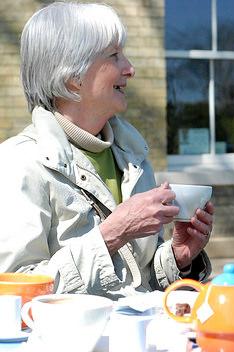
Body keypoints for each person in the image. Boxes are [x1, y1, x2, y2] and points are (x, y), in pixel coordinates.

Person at [0, 2, 214, 299]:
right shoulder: (18, 163)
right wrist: (112, 233)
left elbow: (137, 282)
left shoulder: (132, 156)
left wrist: (178, 256)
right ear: (72, 77)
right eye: (114, 56)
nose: (130, 69)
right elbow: (14, 292)